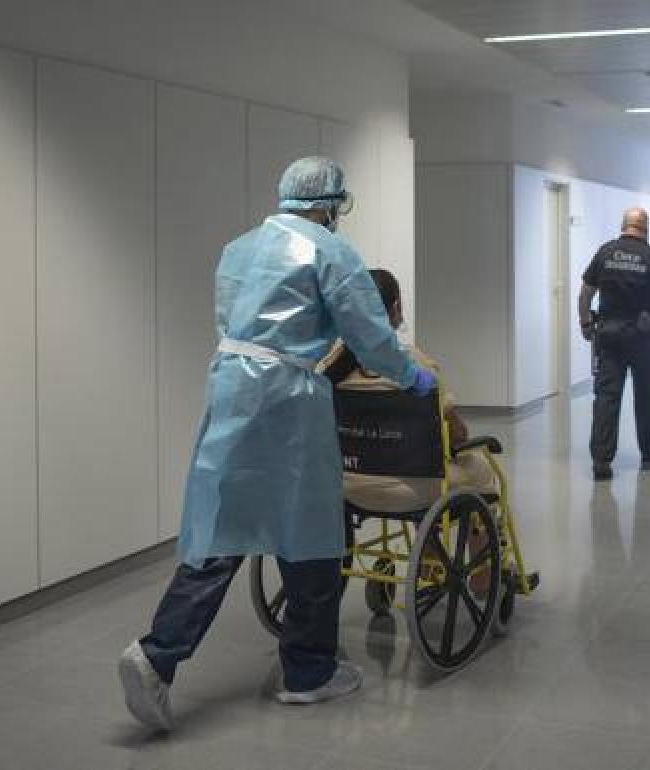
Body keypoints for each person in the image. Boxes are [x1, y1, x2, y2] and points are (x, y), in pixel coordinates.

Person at [117, 157, 436, 732]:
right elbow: (368, 332)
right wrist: (411, 377)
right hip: (288, 398)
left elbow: (230, 320)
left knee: (221, 531)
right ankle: (308, 673)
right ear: (332, 204)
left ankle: (157, 655)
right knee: (310, 531)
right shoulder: (330, 250)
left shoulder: (239, 248)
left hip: (231, 387)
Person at [320, 268, 499, 513]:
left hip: (349, 486)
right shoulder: (413, 367)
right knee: (482, 470)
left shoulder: (331, 367)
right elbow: (458, 434)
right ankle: (472, 547)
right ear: (394, 309)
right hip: (414, 489)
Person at [579, 207, 650, 481]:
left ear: (624, 225)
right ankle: (648, 453)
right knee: (646, 396)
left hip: (608, 337)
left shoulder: (605, 252)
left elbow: (585, 294)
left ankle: (601, 461)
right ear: (645, 228)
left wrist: (586, 324)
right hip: (643, 339)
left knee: (607, 397)